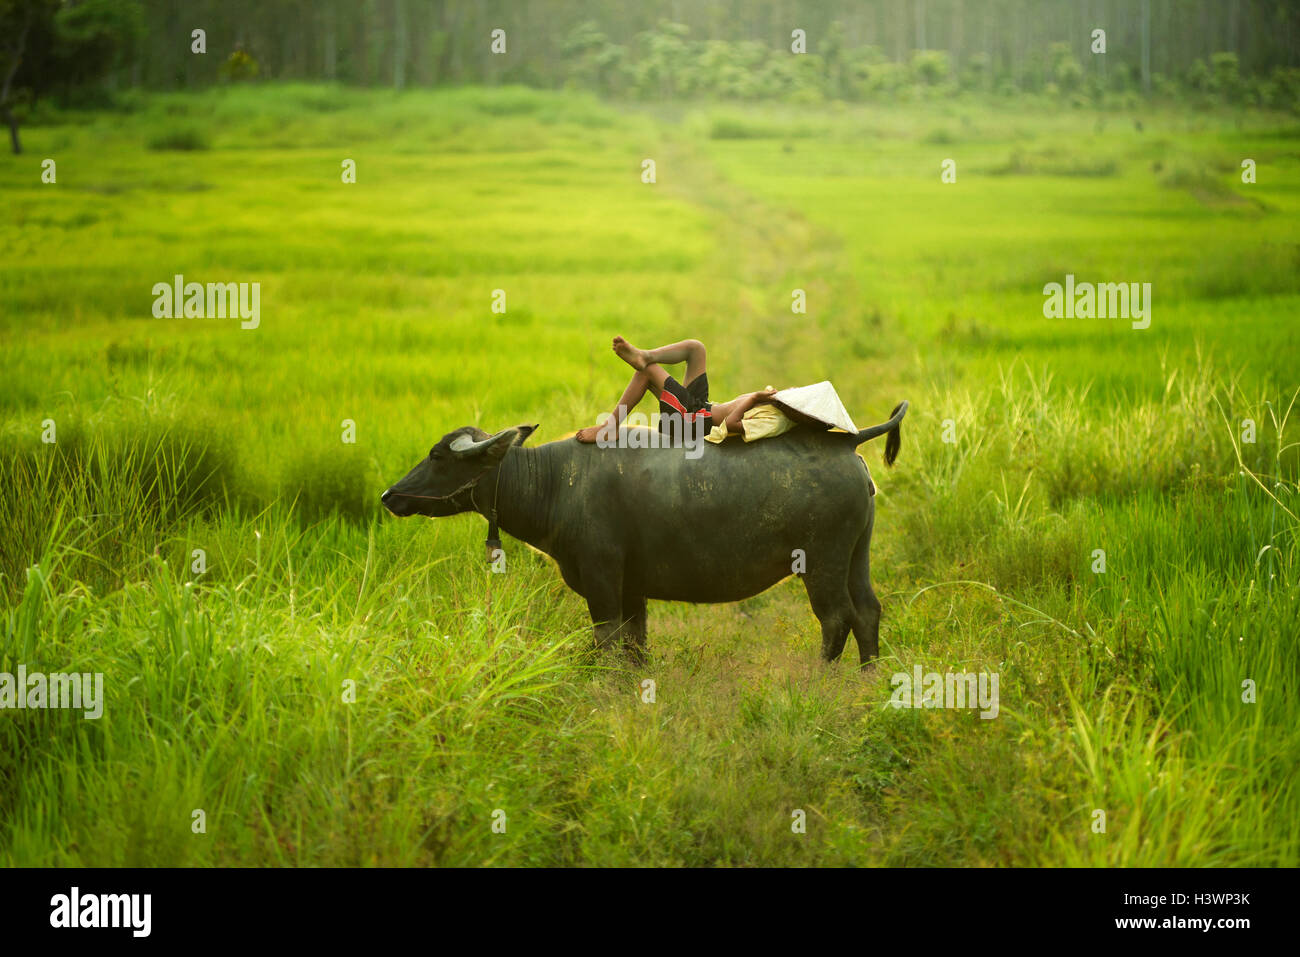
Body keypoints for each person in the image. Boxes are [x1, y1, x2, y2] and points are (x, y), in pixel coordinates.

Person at [575, 337, 777, 444]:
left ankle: (609, 427)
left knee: (646, 373)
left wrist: (755, 397)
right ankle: (645, 355)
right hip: (702, 407)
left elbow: (732, 425)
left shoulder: (772, 421)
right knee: (696, 348)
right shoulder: (775, 403)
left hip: (694, 422)